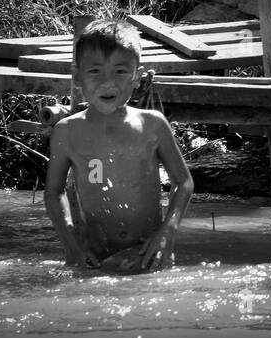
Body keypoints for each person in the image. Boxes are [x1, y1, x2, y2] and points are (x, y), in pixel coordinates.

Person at [44, 19, 193, 273]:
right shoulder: (67, 132)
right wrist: (72, 246)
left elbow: (184, 182)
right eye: (95, 72)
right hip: (93, 257)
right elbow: (54, 191)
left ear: (136, 76)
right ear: (78, 76)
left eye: (120, 71)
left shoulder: (152, 125)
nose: (108, 82)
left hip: (149, 253)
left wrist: (167, 233)